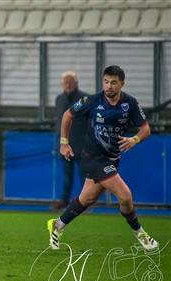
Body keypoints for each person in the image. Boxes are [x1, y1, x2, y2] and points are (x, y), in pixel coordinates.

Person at [48, 65, 159, 251]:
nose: (109, 86)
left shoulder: (130, 103)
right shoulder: (91, 101)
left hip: (112, 158)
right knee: (125, 196)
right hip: (93, 157)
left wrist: (135, 139)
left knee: (86, 199)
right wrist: (64, 143)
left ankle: (57, 225)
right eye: (106, 82)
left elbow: (145, 128)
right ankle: (141, 236)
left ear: (122, 84)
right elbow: (68, 115)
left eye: (113, 82)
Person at [51, 71, 88, 210]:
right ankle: (64, 201)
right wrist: (60, 142)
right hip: (64, 145)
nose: (68, 85)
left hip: (82, 145)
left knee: (84, 176)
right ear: (62, 84)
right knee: (67, 177)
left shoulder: (85, 99)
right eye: (65, 83)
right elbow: (59, 121)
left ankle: (85, 202)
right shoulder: (59, 99)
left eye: (70, 82)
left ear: (76, 84)